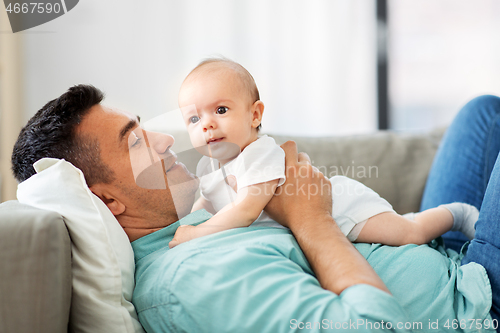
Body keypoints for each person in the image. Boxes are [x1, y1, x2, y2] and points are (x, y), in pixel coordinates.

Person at [11, 85, 499, 332]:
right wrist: (313, 220)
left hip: (449, 259)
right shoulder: (191, 283)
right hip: (474, 306)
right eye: (136, 142)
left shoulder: (193, 220)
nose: (163, 140)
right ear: (109, 201)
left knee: (482, 115)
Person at [170, 58, 478, 248]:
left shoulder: (257, 153)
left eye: (220, 110)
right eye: (195, 119)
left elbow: (247, 210)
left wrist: (197, 235)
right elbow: (205, 204)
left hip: (341, 209)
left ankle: (457, 214)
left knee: (410, 231)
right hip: (314, 223)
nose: (207, 124)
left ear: (254, 115)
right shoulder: (208, 166)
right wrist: (185, 226)